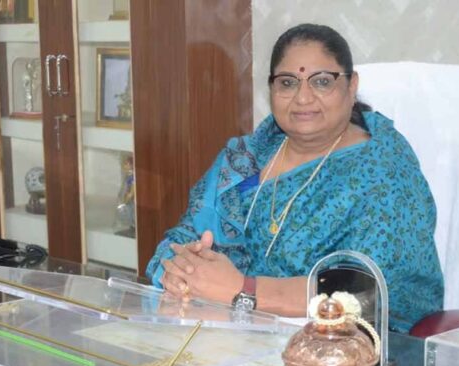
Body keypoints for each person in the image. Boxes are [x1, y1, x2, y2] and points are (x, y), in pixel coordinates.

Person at [146, 23, 443, 333]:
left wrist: (243, 290)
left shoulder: (382, 169)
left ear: (352, 85)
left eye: (322, 82)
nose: (303, 98)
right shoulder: (246, 159)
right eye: (288, 83)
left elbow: (370, 290)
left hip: (344, 347)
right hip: (228, 333)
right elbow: (182, 238)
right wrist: (179, 273)